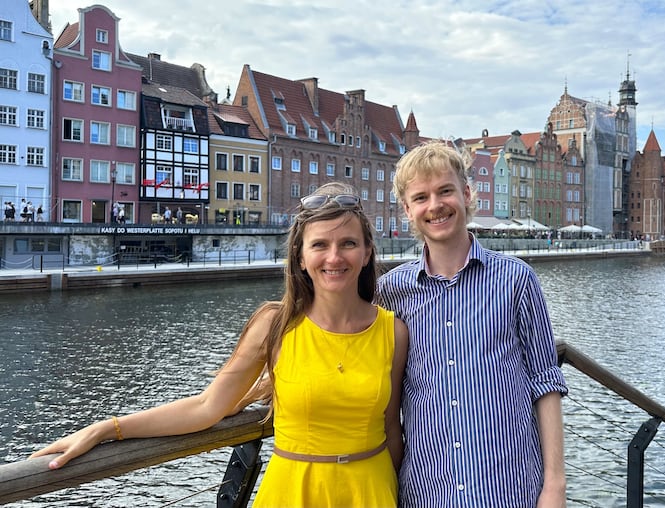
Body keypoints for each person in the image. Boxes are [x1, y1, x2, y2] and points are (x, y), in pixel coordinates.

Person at [31, 182, 409, 508]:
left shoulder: (393, 332)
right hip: (294, 491)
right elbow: (207, 406)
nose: (334, 257)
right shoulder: (275, 325)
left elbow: (391, 428)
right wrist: (107, 428)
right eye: (320, 245)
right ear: (300, 256)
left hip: (371, 491)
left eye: (348, 243)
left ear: (366, 253)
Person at [376, 140, 568, 507]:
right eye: (421, 197)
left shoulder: (516, 280)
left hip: (509, 489)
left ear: (466, 194)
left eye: (445, 191)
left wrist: (554, 487)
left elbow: (545, 381)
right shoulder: (392, 292)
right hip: (429, 492)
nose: (435, 205)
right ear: (407, 209)